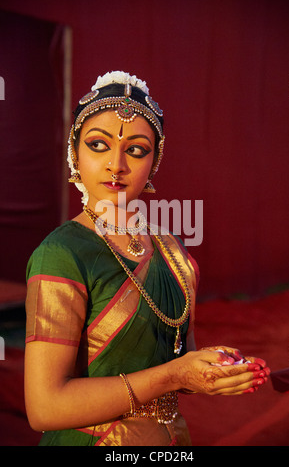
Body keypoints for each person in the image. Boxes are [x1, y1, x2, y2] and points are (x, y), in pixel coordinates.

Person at [24, 71, 270, 446]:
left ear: (154, 163)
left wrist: (210, 369)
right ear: (74, 153)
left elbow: (177, 359)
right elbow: (45, 407)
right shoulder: (61, 254)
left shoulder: (172, 250)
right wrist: (174, 376)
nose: (116, 165)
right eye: (98, 145)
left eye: (136, 149)